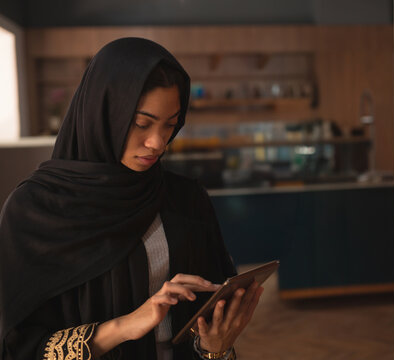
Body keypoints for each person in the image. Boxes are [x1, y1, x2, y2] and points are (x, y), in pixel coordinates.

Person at [0, 37, 263, 360]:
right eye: (141, 123)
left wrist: (216, 347)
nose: (157, 142)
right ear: (104, 113)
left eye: (170, 125)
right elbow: (20, 347)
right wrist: (126, 326)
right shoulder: (33, 211)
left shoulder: (186, 198)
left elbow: (209, 328)